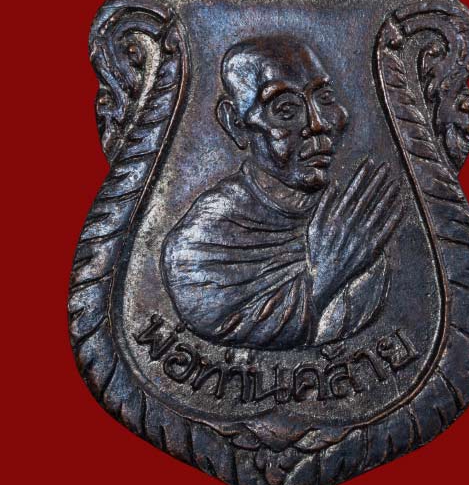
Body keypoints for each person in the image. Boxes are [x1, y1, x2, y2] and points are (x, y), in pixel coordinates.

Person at [161, 36, 401, 350]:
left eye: (325, 98)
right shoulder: (197, 248)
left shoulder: (350, 222)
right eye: (286, 109)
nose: (318, 123)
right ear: (236, 124)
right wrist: (326, 277)